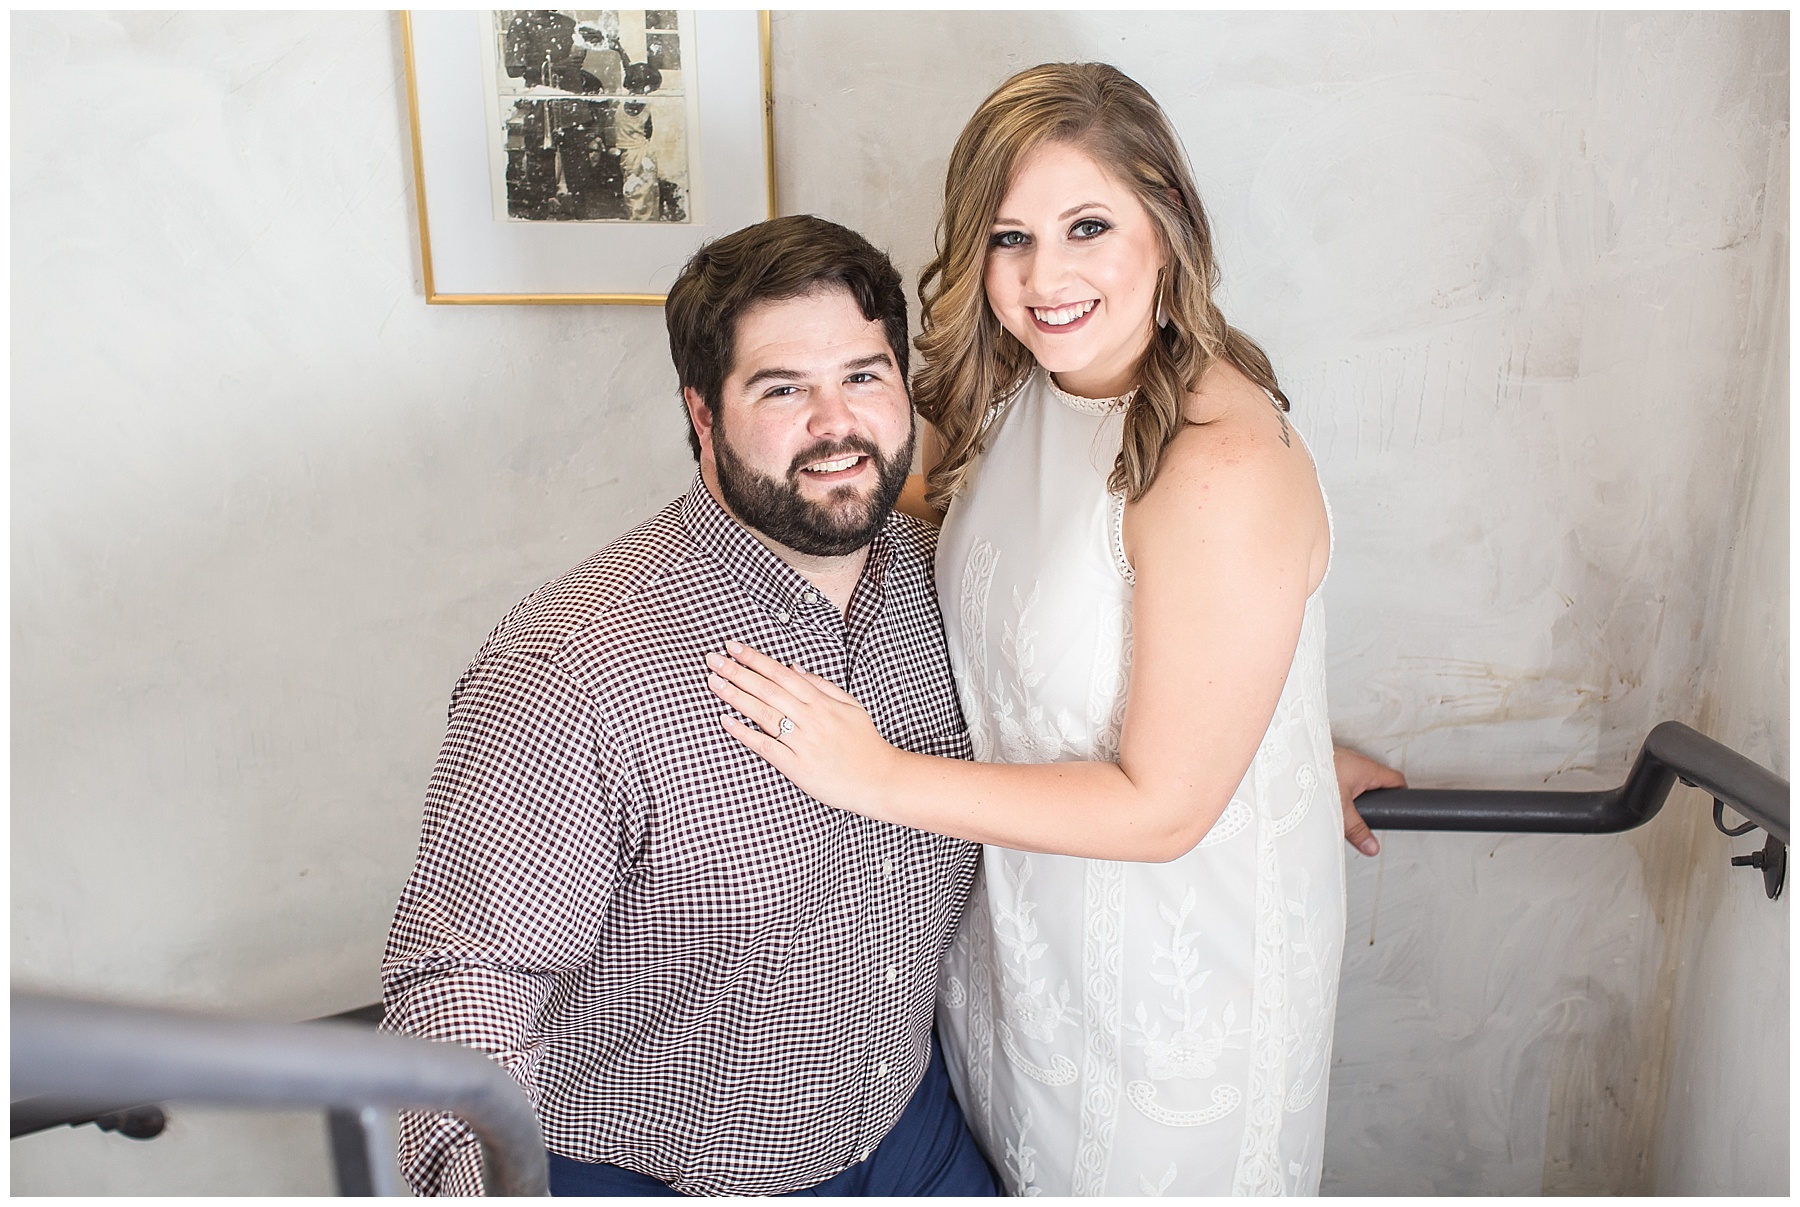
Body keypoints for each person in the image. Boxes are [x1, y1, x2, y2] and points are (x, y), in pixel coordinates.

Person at [705, 64, 1402, 1195]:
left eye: (1088, 226)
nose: (1046, 277)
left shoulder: (1219, 462)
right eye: (1010, 236)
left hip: (1172, 973)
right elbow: (976, 548)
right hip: (1022, 947)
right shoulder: (1018, 388)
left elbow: (1165, 805)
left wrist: (872, 775)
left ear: (1166, 227)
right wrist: (1277, 728)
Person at [380, 215, 1000, 1197]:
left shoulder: (946, 582)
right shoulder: (573, 669)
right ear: (703, 414)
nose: (836, 423)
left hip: (910, 1135)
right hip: (659, 1176)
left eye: (863, 375)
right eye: (782, 388)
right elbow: (463, 974)